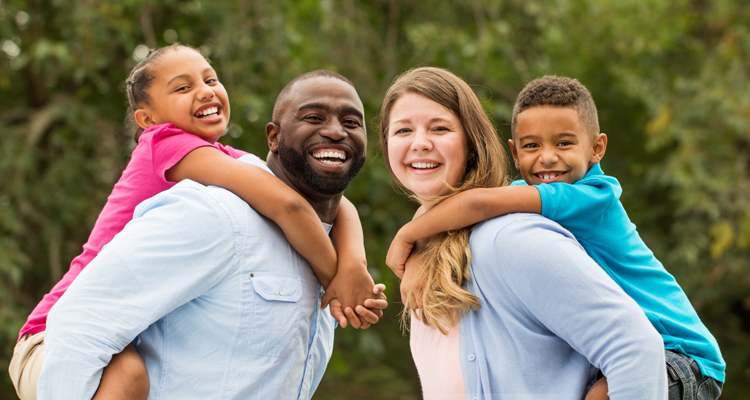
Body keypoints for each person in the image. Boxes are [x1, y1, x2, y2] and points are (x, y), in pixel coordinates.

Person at [10, 43, 379, 400]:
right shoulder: (165, 143)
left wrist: (354, 265)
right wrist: (338, 282)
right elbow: (291, 207)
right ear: (147, 118)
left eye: (211, 80)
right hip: (51, 331)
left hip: (110, 329)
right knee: (128, 378)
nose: (205, 92)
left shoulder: (227, 160)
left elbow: (334, 205)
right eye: (183, 87)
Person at [386, 75, 725, 399]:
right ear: (515, 154)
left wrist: (407, 236)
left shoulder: (591, 196)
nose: (547, 157)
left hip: (683, 354)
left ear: (597, 148)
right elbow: (459, 212)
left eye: (563, 143)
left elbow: (476, 202)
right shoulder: (525, 196)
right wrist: (419, 254)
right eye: (531, 146)